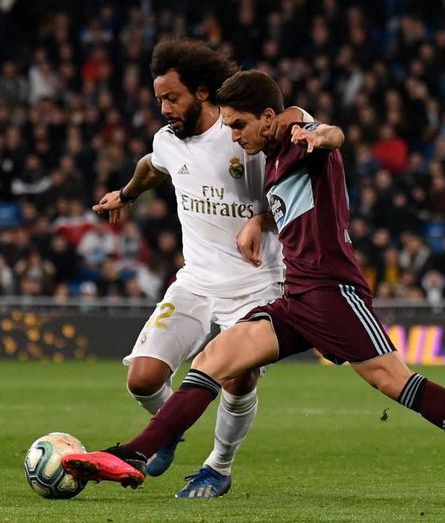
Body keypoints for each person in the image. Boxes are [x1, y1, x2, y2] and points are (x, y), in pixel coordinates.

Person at [63, 70, 445, 509]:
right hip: (296, 297)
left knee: (397, 383)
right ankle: (135, 454)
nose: (232, 135)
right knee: (213, 361)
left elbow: (331, 135)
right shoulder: (267, 156)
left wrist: (320, 133)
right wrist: (259, 217)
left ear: (268, 117)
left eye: (239, 124)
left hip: (335, 294)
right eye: (227, 125)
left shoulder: (297, 139)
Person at [91, 39, 313, 497]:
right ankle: (170, 431)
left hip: (257, 282)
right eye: (158, 100)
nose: (164, 108)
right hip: (195, 280)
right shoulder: (167, 141)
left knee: (238, 375)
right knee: (143, 378)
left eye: (172, 98)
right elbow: (152, 166)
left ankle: (219, 466)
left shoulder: (242, 133)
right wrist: (127, 194)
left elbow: (295, 153)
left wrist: (260, 217)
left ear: (203, 92)